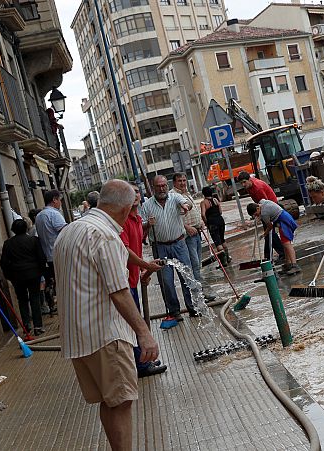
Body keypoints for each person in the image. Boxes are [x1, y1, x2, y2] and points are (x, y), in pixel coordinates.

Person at [54, 179, 160, 450]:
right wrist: (144, 333)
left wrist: (143, 264)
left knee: (110, 401)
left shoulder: (71, 230)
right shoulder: (105, 235)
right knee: (122, 402)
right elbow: (119, 291)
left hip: (79, 337)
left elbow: (118, 256)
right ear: (125, 210)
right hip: (106, 335)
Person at [120, 185, 167, 378]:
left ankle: (144, 360)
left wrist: (142, 271)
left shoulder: (138, 219)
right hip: (123, 283)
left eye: (137, 192)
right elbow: (125, 251)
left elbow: (136, 249)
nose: (136, 195)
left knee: (137, 320)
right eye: (130, 193)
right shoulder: (123, 221)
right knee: (135, 324)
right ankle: (141, 366)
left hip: (132, 279)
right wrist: (145, 266)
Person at [139, 175, 200, 324]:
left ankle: (192, 307)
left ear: (167, 186)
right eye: (158, 186)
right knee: (166, 281)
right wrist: (148, 223)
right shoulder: (147, 205)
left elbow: (185, 203)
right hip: (160, 246)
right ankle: (174, 311)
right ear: (153, 188)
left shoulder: (175, 197)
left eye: (164, 185)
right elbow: (140, 225)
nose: (162, 188)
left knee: (187, 275)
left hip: (179, 244)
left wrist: (186, 207)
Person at [0, 219, 46, 335]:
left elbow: (4, 263)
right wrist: (41, 272)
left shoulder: (8, 244)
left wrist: (9, 276)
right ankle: (38, 326)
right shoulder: (33, 240)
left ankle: (26, 325)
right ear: (26, 228)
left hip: (17, 276)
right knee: (35, 298)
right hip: (33, 274)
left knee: (22, 300)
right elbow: (41, 257)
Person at [171, 173, 212, 302]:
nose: (183, 183)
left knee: (197, 265)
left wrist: (200, 223)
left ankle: (200, 293)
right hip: (187, 236)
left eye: (184, 180)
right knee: (193, 266)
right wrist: (187, 227)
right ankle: (198, 296)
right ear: (174, 183)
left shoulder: (187, 193)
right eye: (180, 181)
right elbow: (173, 217)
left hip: (197, 233)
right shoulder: (173, 196)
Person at [237, 171, 284, 262]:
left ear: (249, 180)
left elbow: (265, 204)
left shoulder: (258, 188)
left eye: (244, 182)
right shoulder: (249, 186)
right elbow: (256, 201)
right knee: (268, 233)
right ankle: (268, 257)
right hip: (261, 208)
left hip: (271, 208)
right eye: (241, 183)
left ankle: (281, 253)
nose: (243, 185)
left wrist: (260, 215)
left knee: (270, 232)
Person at [247, 199, 300, 275]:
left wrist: (264, 234)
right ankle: (288, 265)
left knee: (287, 244)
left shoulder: (264, 214)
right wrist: (258, 217)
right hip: (284, 218)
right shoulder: (262, 202)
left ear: (258, 208)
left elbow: (270, 227)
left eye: (256, 214)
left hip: (284, 221)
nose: (256, 216)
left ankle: (295, 266)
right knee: (284, 243)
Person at [36, 189, 67, 314]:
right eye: (59, 200)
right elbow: (65, 231)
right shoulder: (54, 214)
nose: (60, 203)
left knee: (55, 282)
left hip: (47, 256)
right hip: (58, 254)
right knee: (64, 283)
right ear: (54, 200)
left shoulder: (39, 216)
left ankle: (54, 303)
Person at [200, 186, 230, 266]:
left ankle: (223, 262)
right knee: (222, 239)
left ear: (203, 194)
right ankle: (227, 258)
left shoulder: (204, 202)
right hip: (220, 220)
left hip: (212, 223)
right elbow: (220, 211)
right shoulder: (215, 200)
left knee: (217, 242)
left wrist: (206, 222)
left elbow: (203, 214)